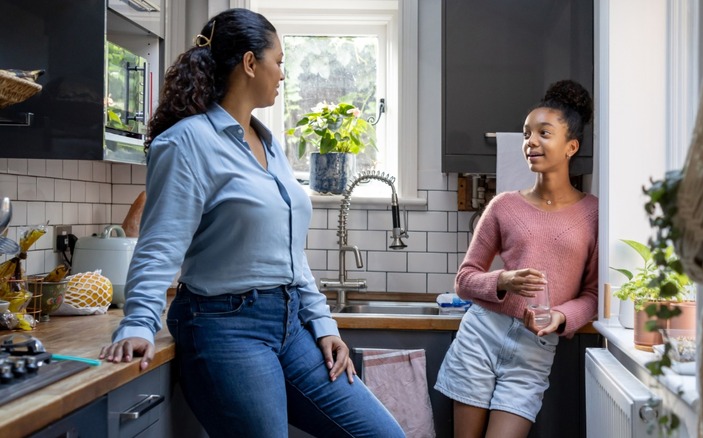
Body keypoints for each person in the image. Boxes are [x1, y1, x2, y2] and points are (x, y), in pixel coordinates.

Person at [98, 8, 404, 438]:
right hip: (224, 328)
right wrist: (137, 323)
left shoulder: (269, 145)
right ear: (249, 63)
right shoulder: (186, 143)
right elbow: (159, 246)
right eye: (278, 61)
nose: (282, 74)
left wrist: (323, 324)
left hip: (291, 326)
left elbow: (291, 255)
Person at [434, 80, 598, 438]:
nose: (530, 142)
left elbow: (594, 294)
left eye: (543, 133)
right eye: (526, 134)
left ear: (572, 146)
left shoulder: (593, 213)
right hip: (481, 335)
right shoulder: (503, 205)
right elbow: (464, 279)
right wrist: (503, 281)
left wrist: (560, 316)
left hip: (534, 349)